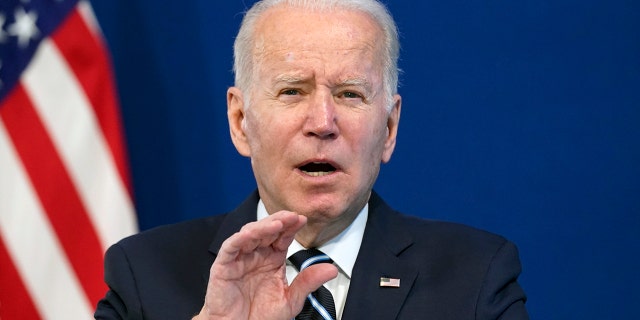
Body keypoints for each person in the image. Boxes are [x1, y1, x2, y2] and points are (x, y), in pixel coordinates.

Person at [95, 0, 529, 319]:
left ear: (389, 129)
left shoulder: (476, 278)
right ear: (241, 120)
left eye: (350, 94)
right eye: (292, 91)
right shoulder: (144, 275)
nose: (323, 122)